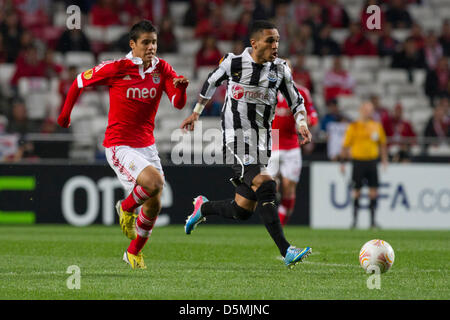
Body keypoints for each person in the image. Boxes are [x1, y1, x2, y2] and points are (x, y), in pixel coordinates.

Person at [57, 20, 189, 269]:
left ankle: (133, 253)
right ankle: (126, 207)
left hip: (146, 145)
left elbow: (178, 104)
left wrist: (181, 90)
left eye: (154, 42)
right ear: (133, 44)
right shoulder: (117, 68)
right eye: (146, 42)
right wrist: (65, 115)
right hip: (120, 145)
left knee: (155, 201)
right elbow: (78, 82)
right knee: (155, 183)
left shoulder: (163, 69)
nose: (151, 47)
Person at [180, 20, 312, 268]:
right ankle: (287, 251)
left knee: (242, 209)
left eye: (278, 41)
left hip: (263, 143)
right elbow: (210, 82)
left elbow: (297, 100)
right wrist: (196, 112)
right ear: (254, 43)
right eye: (270, 40)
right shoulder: (234, 63)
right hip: (236, 140)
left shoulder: (280, 70)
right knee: (267, 182)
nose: (276, 45)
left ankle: (203, 208)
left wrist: (301, 122)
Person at [267, 63, 319, 226]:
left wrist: (309, 121)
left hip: (291, 146)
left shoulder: (302, 92)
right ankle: (275, 220)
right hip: (272, 143)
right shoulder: (266, 91)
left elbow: (312, 114)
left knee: (289, 188)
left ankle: (280, 225)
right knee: (269, 186)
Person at [340, 101, 388, 229]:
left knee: (373, 191)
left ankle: (372, 222)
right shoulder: (354, 126)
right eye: (366, 109)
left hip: (372, 161)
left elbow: (382, 144)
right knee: (356, 191)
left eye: (370, 109)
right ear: (361, 110)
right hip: (358, 162)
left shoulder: (376, 126)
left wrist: (384, 160)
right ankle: (355, 221)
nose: (368, 112)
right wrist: (342, 162)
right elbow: (345, 145)